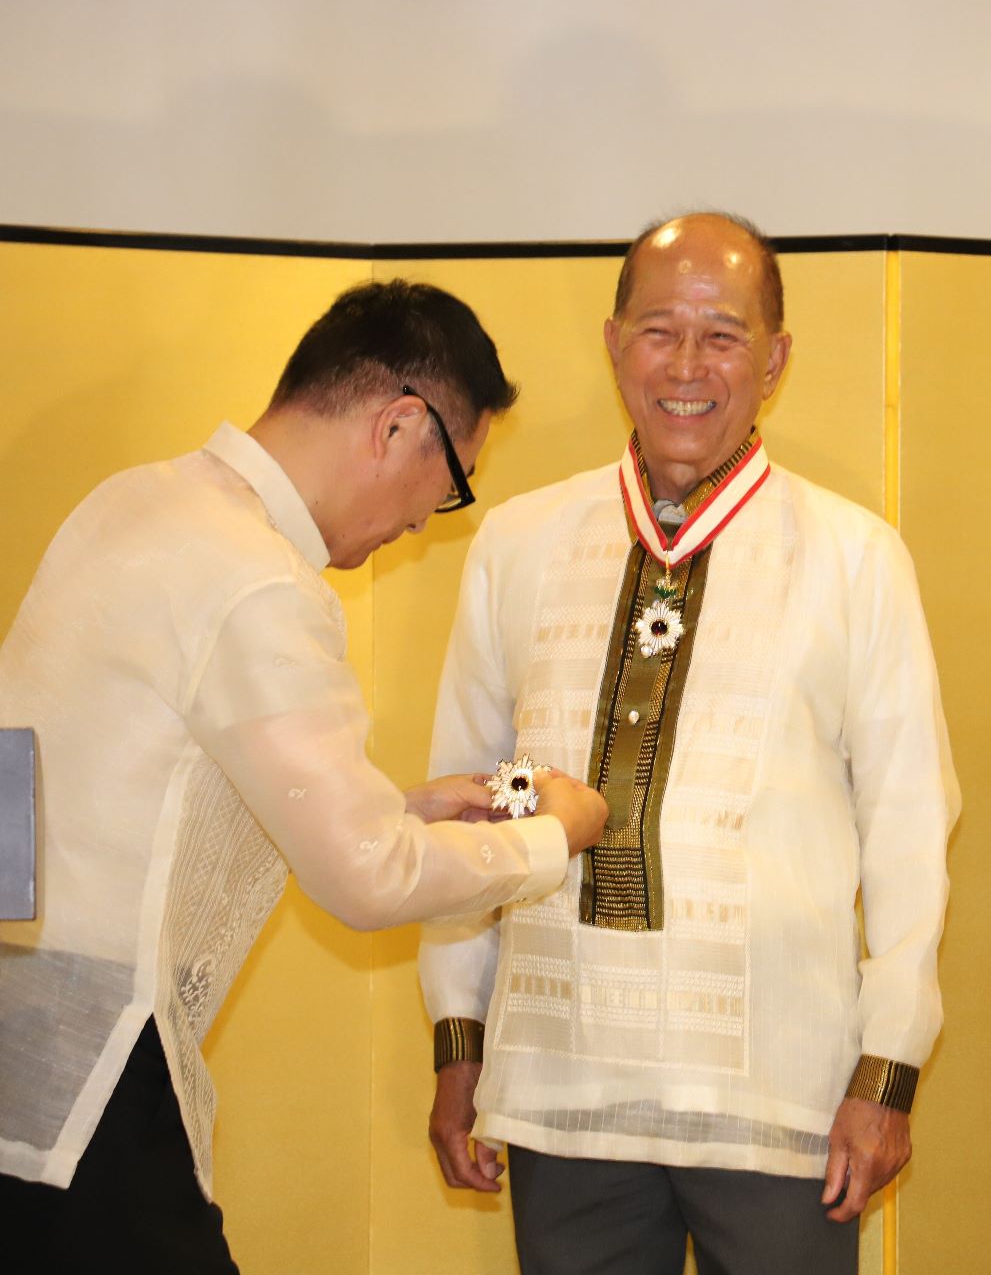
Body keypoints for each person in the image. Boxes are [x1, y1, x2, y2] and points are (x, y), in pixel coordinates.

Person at [0, 278, 608, 1273]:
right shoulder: (261, 580)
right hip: (101, 1070)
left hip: (27, 1031)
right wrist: (555, 833)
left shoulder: (137, 498)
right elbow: (367, 877)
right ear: (400, 425)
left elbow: (160, 775)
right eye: (451, 483)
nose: (426, 523)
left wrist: (405, 804)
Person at [419, 214, 959, 1275]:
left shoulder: (854, 557)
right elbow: (470, 810)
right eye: (659, 330)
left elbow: (908, 828)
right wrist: (458, 1038)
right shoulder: (518, 541)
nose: (686, 365)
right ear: (614, 342)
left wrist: (884, 1070)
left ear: (775, 357)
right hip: (560, 1085)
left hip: (779, 1098)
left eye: (722, 335)